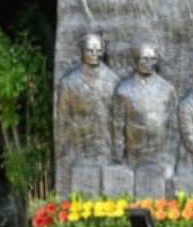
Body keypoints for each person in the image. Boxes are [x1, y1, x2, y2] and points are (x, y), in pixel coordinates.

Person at [111, 43, 179, 174]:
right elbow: (118, 124)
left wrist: (171, 152)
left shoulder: (167, 89)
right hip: (134, 152)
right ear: (136, 60)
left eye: (152, 59)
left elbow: (174, 124)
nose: (149, 63)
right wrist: (118, 152)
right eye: (144, 59)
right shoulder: (123, 89)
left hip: (161, 152)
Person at [56, 32, 120, 166]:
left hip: (105, 147)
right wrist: (60, 148)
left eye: (98, 51)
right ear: (82, 51)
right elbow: (62, 119)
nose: (94, 54)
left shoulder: (113, 81)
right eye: (90, 51)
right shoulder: (69, 82)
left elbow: (118, 118)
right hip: (79, 146)